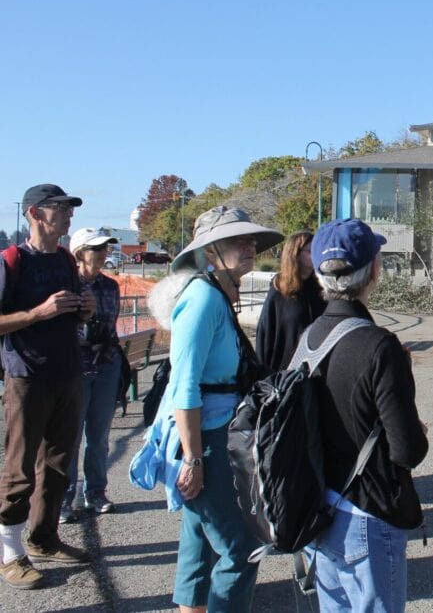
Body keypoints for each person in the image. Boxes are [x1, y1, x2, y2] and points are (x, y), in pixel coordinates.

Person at [306, 218, 429, 612]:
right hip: (367, 510)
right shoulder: (379, 345)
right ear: (374, 270)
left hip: (317, 507)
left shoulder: (309, 338)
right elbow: (407, 451)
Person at [165, 206, 282, 612]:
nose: (250, 245)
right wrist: (194, 458)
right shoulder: (203, 299)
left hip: (215, 433)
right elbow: (184, 386)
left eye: (251, 239)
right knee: (241, 549)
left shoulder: (213, 294)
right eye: (238, 240)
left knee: (198, 542)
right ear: (211, 250)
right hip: (209, 439)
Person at [0, 184, 95, 590]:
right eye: (60, 208)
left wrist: (83, 312)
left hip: (67, 372)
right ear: (35, 214)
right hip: (26, 376)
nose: (69, 215)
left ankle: (44, 536)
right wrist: (39, 312)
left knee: (58, 465)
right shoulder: (11, 260)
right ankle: (10, 554)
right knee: (20, 467)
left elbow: (68, 315)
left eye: (69, 208)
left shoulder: (64, 261)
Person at [61, 228, 122, 523]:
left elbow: (111, 326)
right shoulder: (67, 286)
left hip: (106, 367)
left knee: (98, 436)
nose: (102, 253)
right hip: (76, 369)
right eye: (95, 248)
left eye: (105, 248)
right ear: (79, 253)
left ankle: (96, 492)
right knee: (70, 437)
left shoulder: (110, 287)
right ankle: (64, 499)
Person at [255, 230, 326, 371]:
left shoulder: (322, 287)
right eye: (309, 251)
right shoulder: (279, 288)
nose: (316, 255)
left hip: (316, 371)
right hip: (285, 374)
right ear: (295, 255)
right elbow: (265, 334)